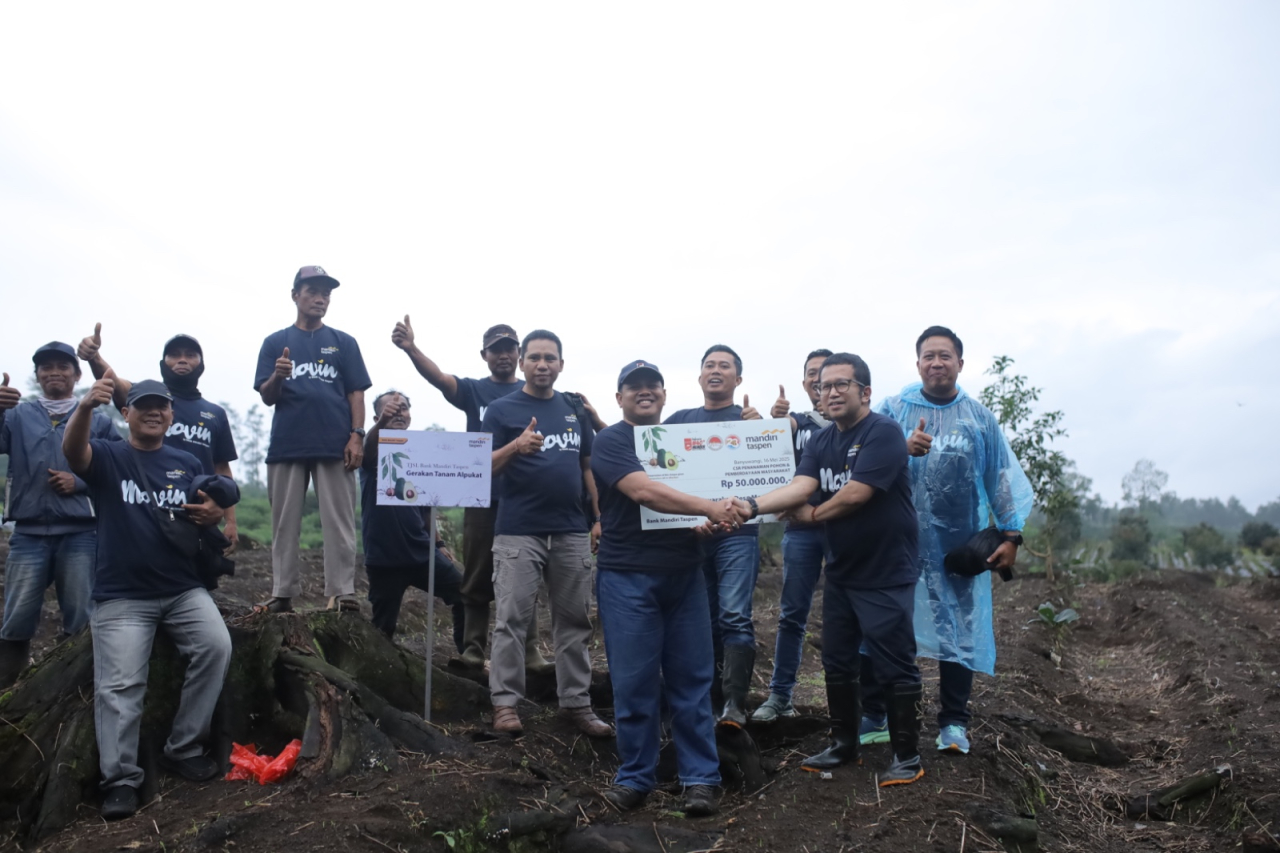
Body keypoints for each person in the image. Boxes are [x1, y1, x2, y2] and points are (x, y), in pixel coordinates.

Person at [741, 353, 925, 787]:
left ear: (864, 392)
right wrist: (750, 506)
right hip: (842, 570)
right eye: (825, 386)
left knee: (894, 660)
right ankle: (844, 744)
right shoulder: (822, 442)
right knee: (838, 660)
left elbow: (857, 494)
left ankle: (907, 754)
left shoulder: (883, 432)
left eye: (843, 384)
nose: (833, 392)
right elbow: (800, 487)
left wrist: (811, 516)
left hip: (885, 568)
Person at [63, 378, 234, 820]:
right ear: (127, 414)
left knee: (216, 647)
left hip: (182, 590)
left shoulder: (185, 458)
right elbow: (72, 454)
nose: (154, 412)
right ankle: (120, 779)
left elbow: (217, 489)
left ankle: (183, 746)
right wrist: (84, 408)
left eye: (161, 406)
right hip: (122, 595)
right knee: (120, 686)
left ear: (171, 415)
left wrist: (217, 506)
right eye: (144, 406)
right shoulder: (108, 455)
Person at [867, 326, 1032, 755]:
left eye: (945, 355)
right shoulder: (892, 410)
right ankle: (878, 714)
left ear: (960, 362)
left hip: (959, 546)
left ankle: (954, 723)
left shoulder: (979, 418)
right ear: (917, 362)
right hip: (896, 539)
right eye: (928, 356)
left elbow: (1000, 479)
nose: (936, 363)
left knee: (959, 630)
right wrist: (901, 448)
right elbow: (863, 460)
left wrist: (1012, 535)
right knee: (886, 624)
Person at [592, 359, 742, 817]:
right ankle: (636, 775)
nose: (644, 392)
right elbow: (644, 492)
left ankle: (700, 777)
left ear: (662, 394)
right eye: (633, 387)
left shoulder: (681, 444)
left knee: (694, 680)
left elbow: (685, 508)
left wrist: (704, 523)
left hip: (684, 577)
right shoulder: (612, 440)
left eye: (652, 386)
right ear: (618, 397)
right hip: (627, 578)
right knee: (634, 682)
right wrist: (711, 507)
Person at [392, 319, 554, 672]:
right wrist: (411, 349)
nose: (504, 355)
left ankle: (530, 652)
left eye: (510, 348)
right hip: (481, 497)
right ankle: (474, 649)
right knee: (477, 574)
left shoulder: (536, 395)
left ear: (521, 355)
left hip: (524, 500)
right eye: (496, 349)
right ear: (484, 355)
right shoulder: (474, 392)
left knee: (526, 577)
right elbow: (439, 379)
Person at [481, 330, 610, 738]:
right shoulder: (500, 410)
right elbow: (481, 466)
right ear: (521, 363)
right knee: (511, 619)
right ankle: (504, 704)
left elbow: (587, 466)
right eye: (534, 357)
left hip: (571, 530)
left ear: (561, 364)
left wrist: (597, 515)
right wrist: (515, 447)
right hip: (519, 531)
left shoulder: (573, 409)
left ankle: (577, 703)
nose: (542, 364)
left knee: (574, 621)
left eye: (549, 358)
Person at [0, 342, 122, 687]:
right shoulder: (17, 415)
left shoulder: (97, 420)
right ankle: (8, 692)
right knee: (17, 618)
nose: (54, 372)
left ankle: (73, 691)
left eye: (62, 367)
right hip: (28, 532)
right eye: (46, 367)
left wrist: (80, 482)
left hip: (81, 533)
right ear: (37, 376)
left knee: (81, 616)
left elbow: (116, 469)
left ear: (77, 374)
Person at [254, 266, 371, 613]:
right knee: (284, 522)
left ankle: (342, 593)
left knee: (340, 521)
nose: (320, 299)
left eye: (326, 293)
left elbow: (356, 393)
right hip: (288, 443)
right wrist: (278, 375)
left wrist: (357, 436)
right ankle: (283, 592)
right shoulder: (276, 342)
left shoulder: (343, 342)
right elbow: (267, 396)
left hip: (335, 443)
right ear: (295, 295)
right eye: (313, 292)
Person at [663, 344, 762, 726]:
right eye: (709, 365)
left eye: (725, 366)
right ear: (700, 376)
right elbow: (650, 463)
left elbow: (777, 465)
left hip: (739, 532)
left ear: (738, 379)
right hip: (695, 535)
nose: (716, 370)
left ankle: (735, 703)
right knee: (701, 619)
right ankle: (708, 698)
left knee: (735, 614)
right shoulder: (679, 420)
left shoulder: (751, 420)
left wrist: (764, 425)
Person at [78, 327, 241, 550]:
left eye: (190, 355)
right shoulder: (147, 400)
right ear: (163, 364)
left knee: (196, 575)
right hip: (146, 504)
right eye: (174, 354)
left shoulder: (215, 414)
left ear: (201, 365)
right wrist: (94, 356)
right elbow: (114, 381)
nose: (182, 360)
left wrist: (230, 520)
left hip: (197, 511)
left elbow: (222, 468)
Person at [752, 348, 833, 722]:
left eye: (827, 373)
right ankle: (780, 695)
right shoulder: (797, 423)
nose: (819, 381)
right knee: (791, 615)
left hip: (843, 532)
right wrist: (761, 423)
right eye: (812, 374)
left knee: (849, 614)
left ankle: (859, 702)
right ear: (804, 383)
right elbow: (772, 436)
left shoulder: (860, 427)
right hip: (800, 532)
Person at [359, 390, 467, 647]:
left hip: (422, 553)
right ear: (377, 417)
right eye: (390, 410)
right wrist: (379, 425)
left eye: (403, 408)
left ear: (410, 416)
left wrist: (439, 545)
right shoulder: (373, 451)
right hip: (384, 559)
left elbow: (426, 507)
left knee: (465, 595)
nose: (398, 413)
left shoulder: (418, 452)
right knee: (383, 628)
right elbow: (369, 446)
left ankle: (467, 657)